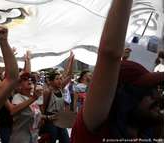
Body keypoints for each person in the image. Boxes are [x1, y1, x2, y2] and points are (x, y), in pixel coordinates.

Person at [70, 0, 163, 142]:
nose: (158, 96)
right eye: (148, 92)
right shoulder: (96, 128)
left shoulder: (149, 132)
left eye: (156, 89)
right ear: (122, 96)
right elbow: (110, 54)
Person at [9, 72, 44, 143]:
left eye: (31, 79)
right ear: (19, 85)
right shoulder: (18, 97)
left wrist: (46, 118)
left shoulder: (35, 97)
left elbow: (37, 116)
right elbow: (13, 111)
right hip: (20, 138)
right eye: (25, 79)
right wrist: (34, 98)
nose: (29, 80)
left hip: (33, 137)